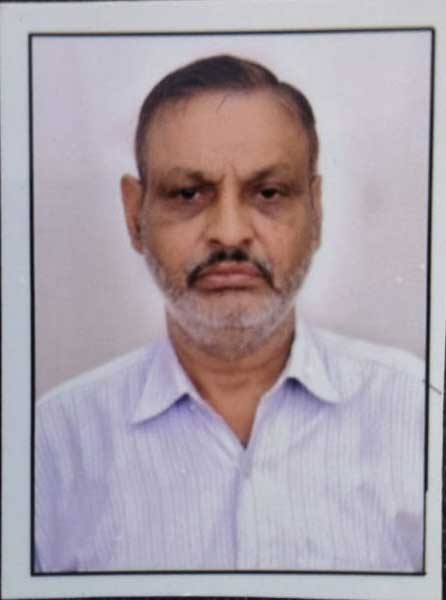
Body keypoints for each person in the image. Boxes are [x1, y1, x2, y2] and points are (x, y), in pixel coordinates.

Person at [35, 54, 425, 573]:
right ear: (134, 215)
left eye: (269, 193)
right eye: (188, 193)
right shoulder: (49, 448)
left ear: (316, 212)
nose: (229, 233)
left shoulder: (420, 419)